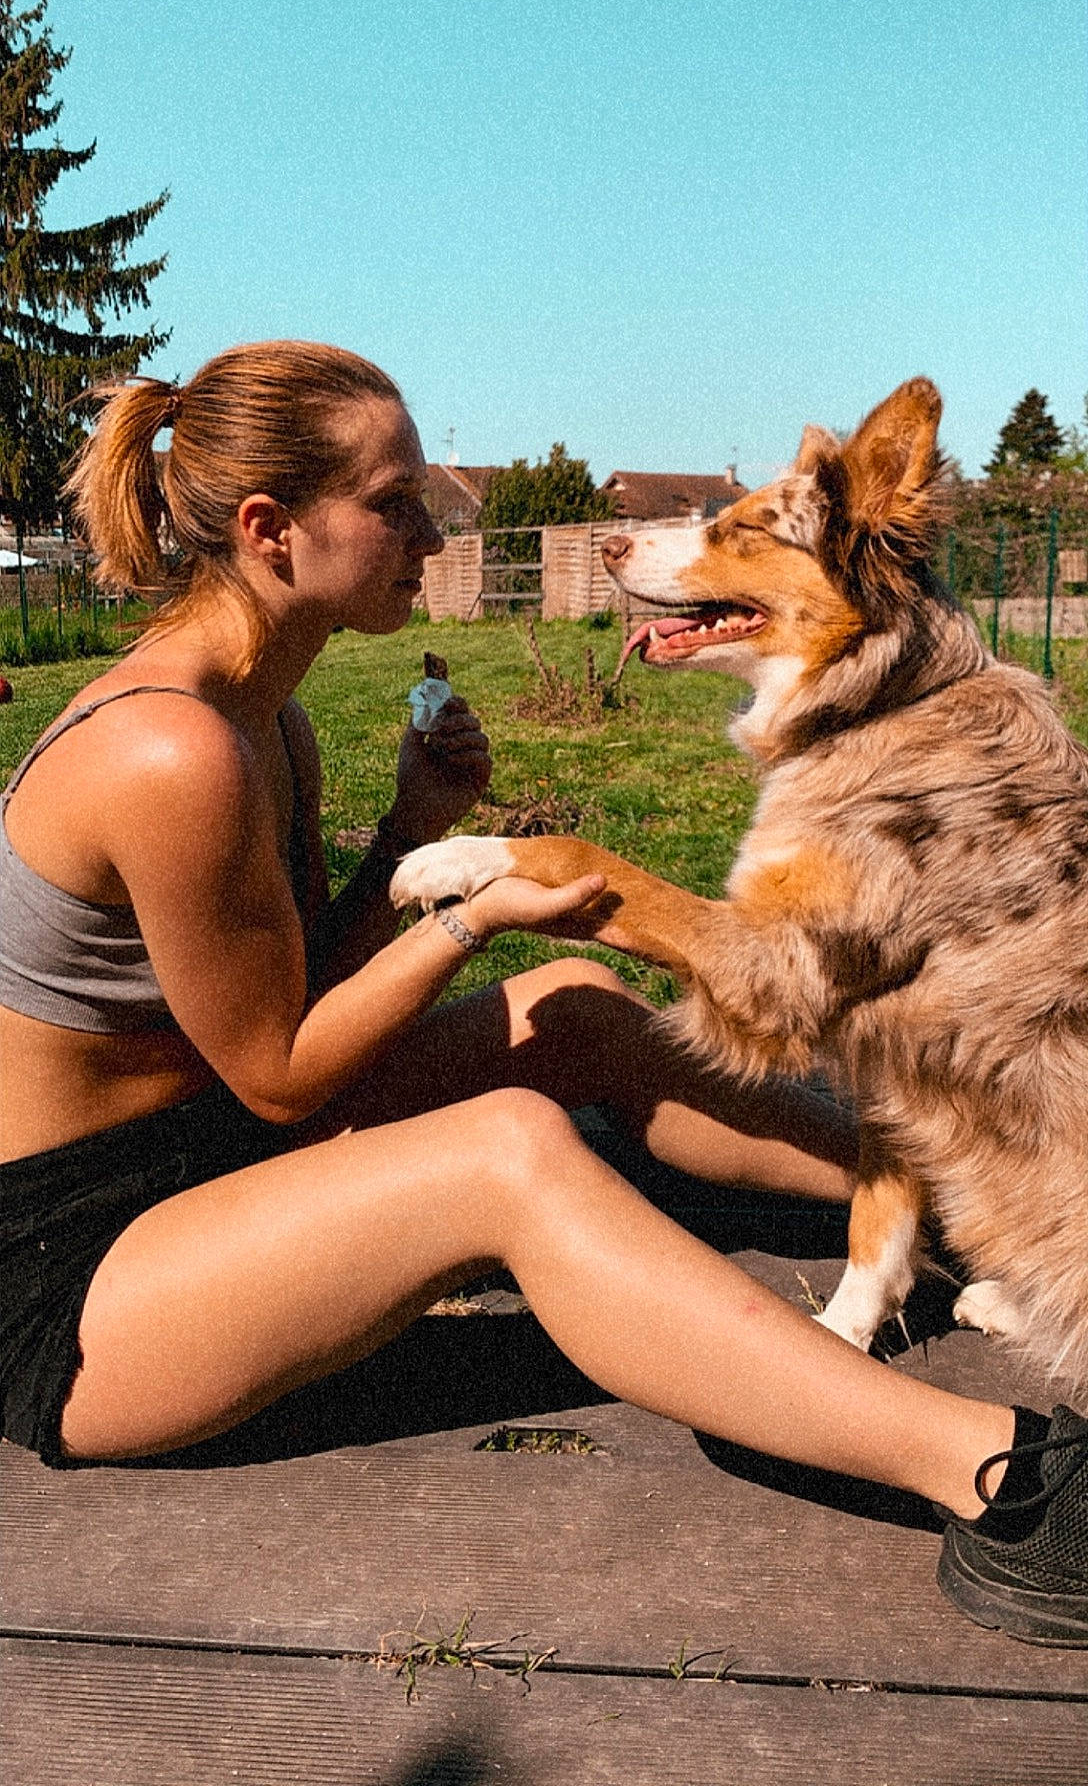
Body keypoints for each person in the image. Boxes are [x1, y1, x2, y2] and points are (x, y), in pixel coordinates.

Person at [0, 340, 1083, 1650]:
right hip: (75, 1281)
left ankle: (956, 1213)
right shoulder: (171, 748)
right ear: (270, 530)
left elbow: (284, 1006)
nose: (431, 533)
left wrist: (408, 828)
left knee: (569, 1000)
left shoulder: (263, 717)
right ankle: (1012, 1480)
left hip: (208, 1161)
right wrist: (466, 915)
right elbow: (280, 1069)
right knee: (504, 1160)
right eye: (394, 502)